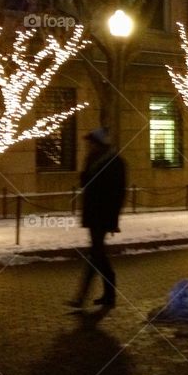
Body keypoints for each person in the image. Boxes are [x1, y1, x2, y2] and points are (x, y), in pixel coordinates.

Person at [69, 127, 126, 308]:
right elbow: (85, 183)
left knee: (96, 255)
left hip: (103, 216)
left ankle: (82, 297)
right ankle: (107, 295)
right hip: (93, 215)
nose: (88, 146)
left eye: (91, 142)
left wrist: (113, 220)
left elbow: (118, 193)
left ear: (99, 143)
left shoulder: (115, 162)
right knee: (97, 255)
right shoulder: (93, 160)